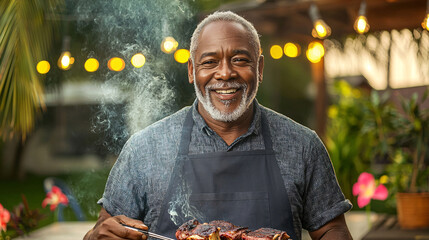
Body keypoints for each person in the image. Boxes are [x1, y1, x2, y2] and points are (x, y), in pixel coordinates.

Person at [84, 11, 353, 240]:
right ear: (191, 71)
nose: (225, 73)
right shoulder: (144, 149)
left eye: (240, 59)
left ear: (259, 68)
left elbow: (331, 228)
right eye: (210, 62)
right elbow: (106, 229)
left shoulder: (303, 145)